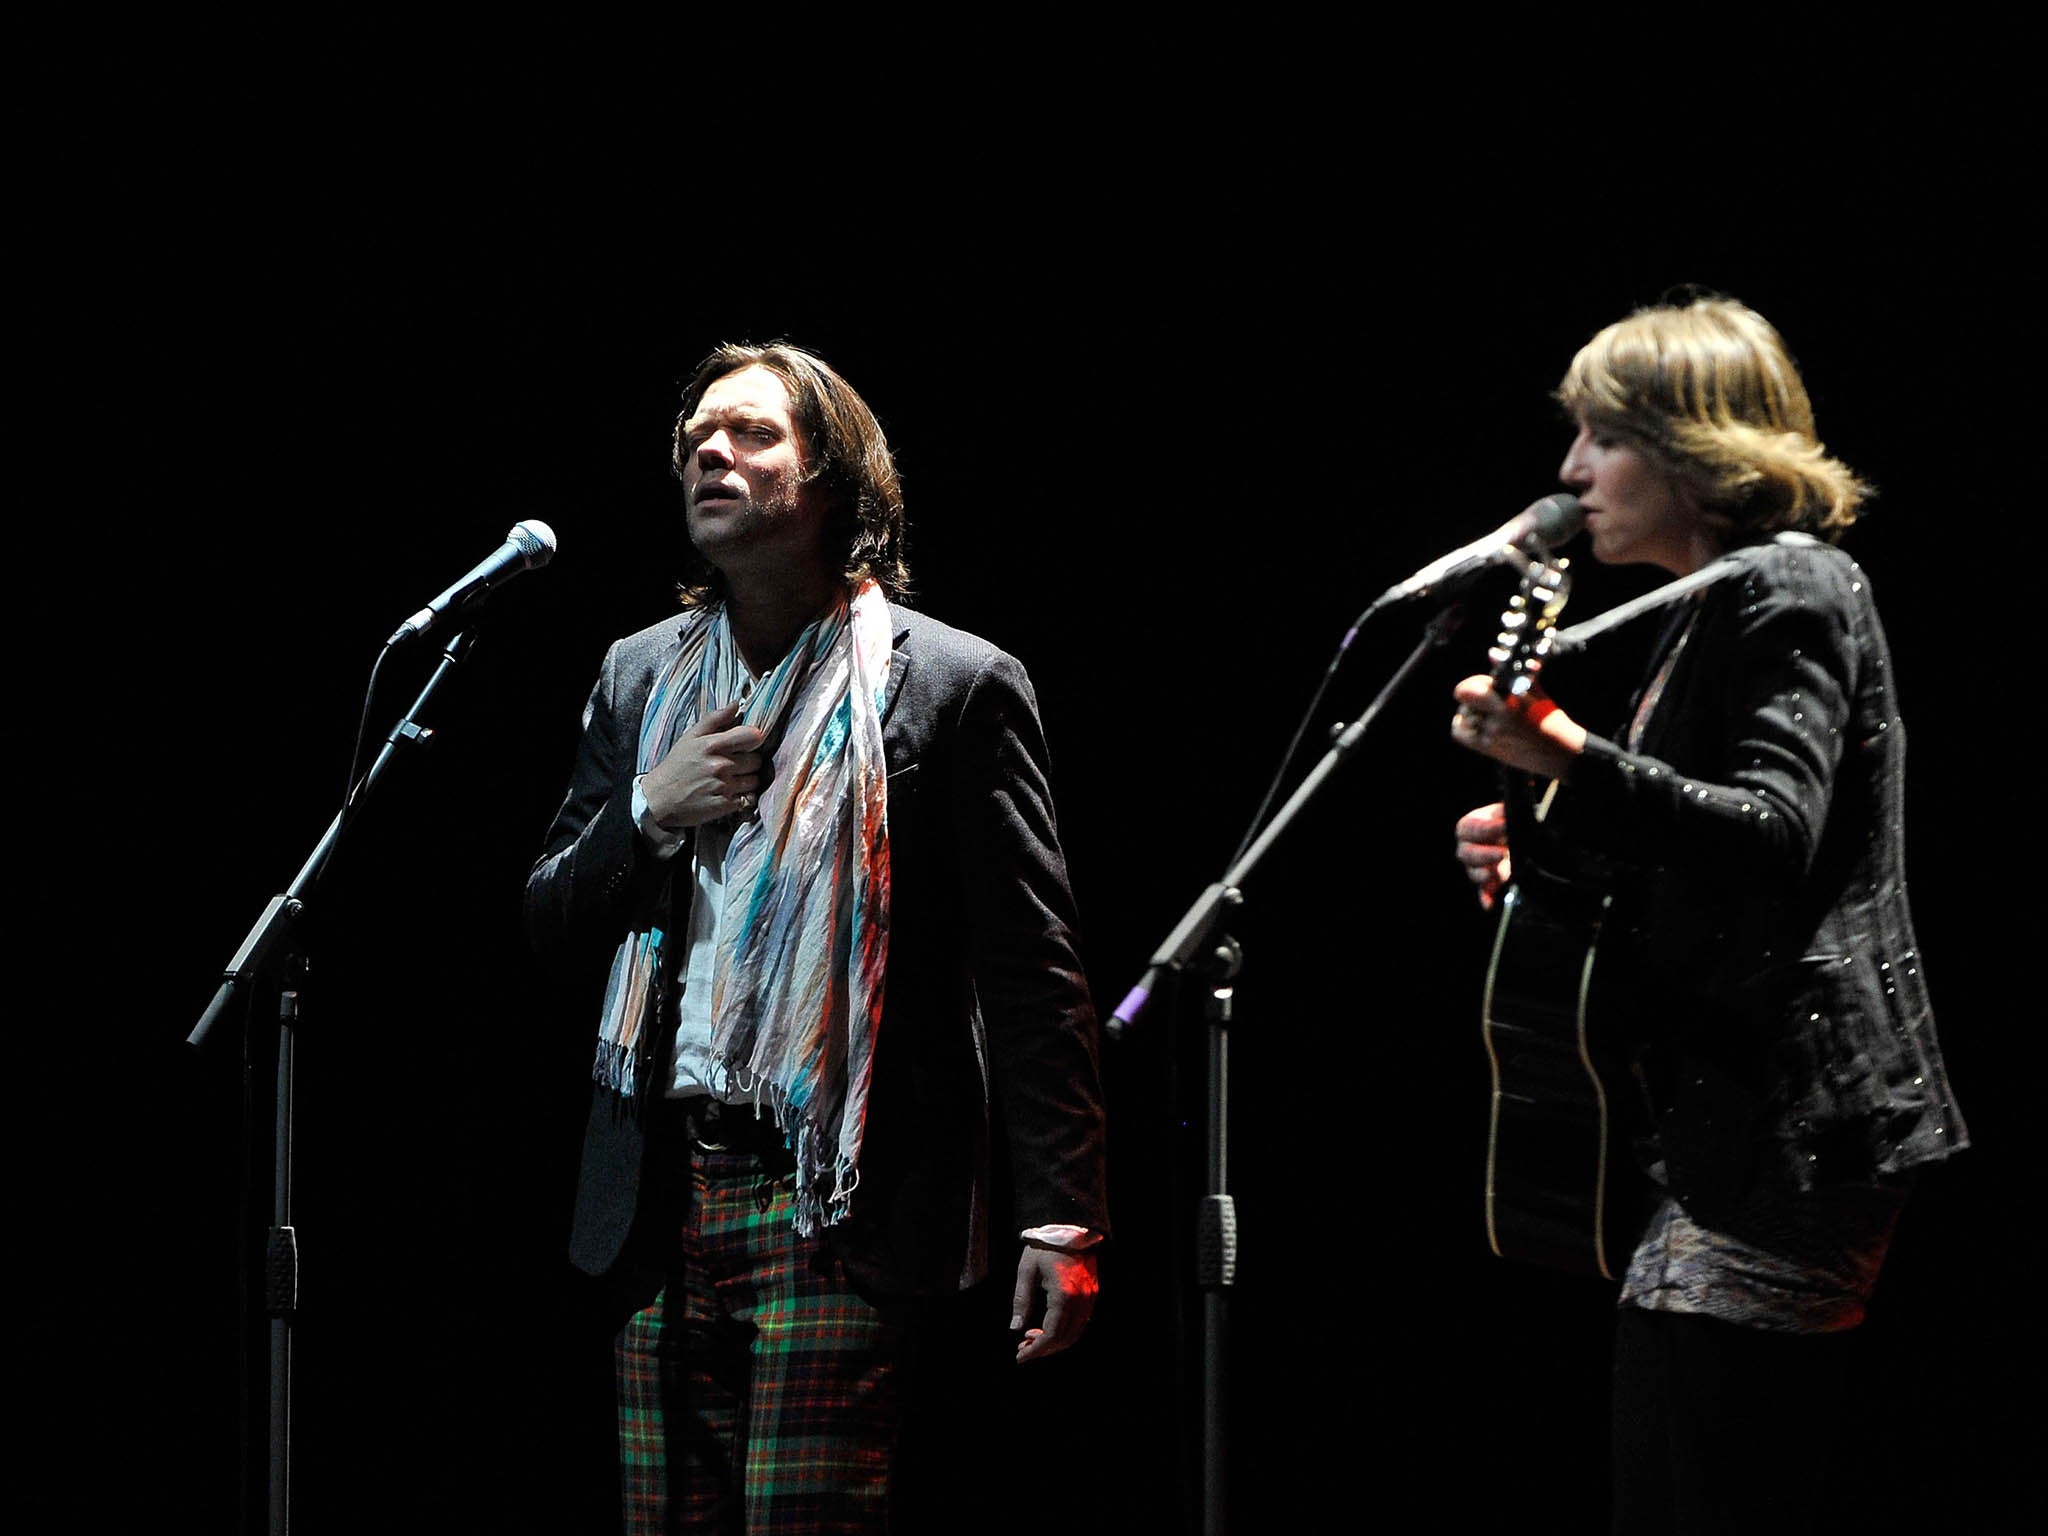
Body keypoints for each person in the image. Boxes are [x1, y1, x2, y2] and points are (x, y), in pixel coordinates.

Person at [524, 341, 1110, 1533]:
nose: (709, 452)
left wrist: (1064, 1211)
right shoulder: (640, 676)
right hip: (657, 1195)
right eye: (697, 436)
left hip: (838, 1193)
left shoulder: (950, 683)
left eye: (750, 435)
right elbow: (547, 911)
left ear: (832, 477)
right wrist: (650, 809)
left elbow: (1030, 968)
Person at [1447, 294, 1967, 1533]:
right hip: (1721, 1131)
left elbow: (1770, 835)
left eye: (1601, 438)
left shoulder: (1795, 589)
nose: (1569, 472)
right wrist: (1541, 853)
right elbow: (1699, 873)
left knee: (1715, 1481)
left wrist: (1571, 762)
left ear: (1700, 448)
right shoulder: (1714, 606)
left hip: (1794, 1130)